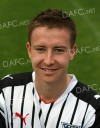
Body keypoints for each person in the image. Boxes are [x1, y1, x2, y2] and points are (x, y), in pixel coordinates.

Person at [0, 9, 100, 128]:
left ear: (72, 51)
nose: (48, 61)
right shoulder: (6, 91)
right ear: (29, 50)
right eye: (41, 49)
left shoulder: (92, 108)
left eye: (58, 50)